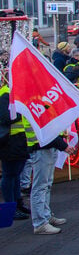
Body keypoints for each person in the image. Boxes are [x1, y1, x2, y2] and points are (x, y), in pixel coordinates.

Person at [0, 84, 32, 220]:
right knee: (9, 175)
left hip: (18, 140)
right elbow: (5, 117)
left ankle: (17, 204)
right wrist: (23, 111)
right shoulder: (5, 94)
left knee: (16, 174)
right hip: (10, 141)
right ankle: (11, 207)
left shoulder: (10, 93)